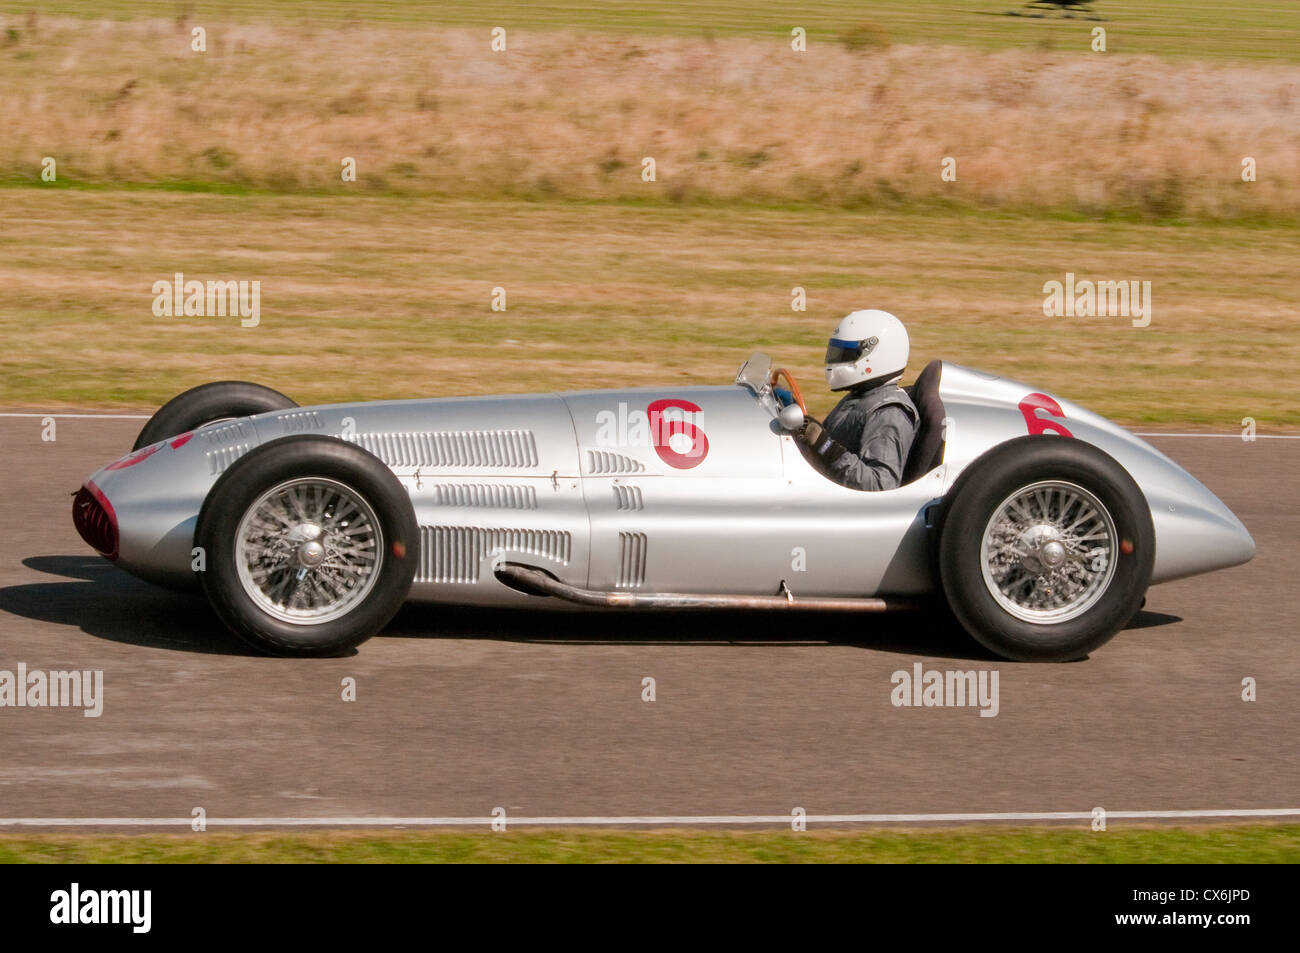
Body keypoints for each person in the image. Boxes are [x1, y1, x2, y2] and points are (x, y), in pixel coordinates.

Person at [795, 310, 919, 491]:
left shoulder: (889, 413)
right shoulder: (860, 397)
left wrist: (826, 447)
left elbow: (880, 485)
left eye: (846, 354)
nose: (837, 361)